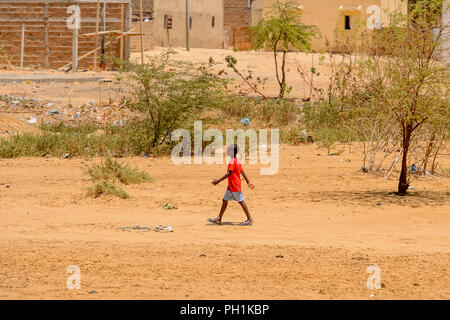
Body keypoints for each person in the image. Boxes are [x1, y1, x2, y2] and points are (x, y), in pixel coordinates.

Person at [208, 144, 255, 225]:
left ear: (231, 152)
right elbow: (242, 171)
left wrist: (218, 181)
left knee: (241, 201)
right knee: (225, 200)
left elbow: (229, 173)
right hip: (231, 185)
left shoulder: (232, 161)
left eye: (228, 150)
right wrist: (248, 182)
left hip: (234, 185)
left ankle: (250, 218)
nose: (226, 151)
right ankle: (219, 219)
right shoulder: (236, 160)